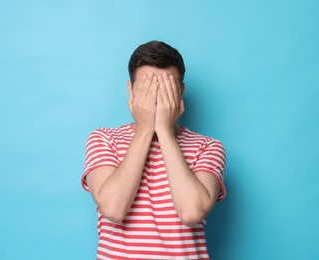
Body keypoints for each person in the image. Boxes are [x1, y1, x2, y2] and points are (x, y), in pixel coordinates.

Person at [81, 41, 226, 259]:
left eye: (167, 89)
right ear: (130, 91)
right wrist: (145, 131)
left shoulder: (208, 147)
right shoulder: (103, 139)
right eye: (147, 90)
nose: (156, 99)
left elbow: (191, 213)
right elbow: (114, 209)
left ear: (181, 92)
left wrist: (165, 132)